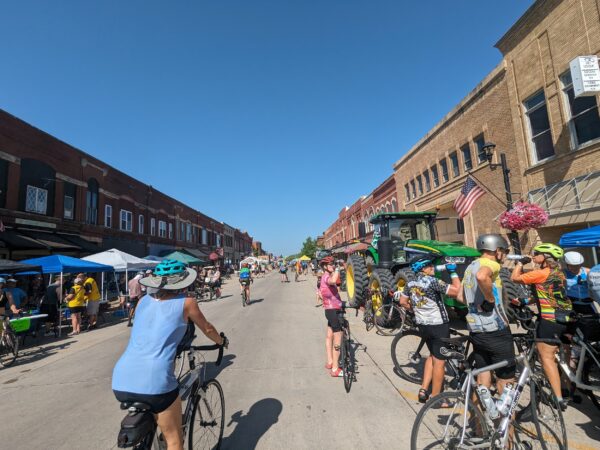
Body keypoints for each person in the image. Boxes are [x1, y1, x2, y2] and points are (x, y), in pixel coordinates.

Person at [112, 259, 227, 450]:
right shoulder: (187, 303)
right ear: (182, 282)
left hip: (121, 379)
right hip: (155, 380)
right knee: (174, 439)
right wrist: (221, 341)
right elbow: (207, 328)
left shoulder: (142, 301)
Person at [511, 243, 572, 409]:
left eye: (537, 253)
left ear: (545, 257)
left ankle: (558, 399)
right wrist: (525, 301)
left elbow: (515, 278)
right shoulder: (559, 273)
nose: (534, 255)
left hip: (549, 320)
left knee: (547, 358)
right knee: (564, 354)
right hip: (566, 319)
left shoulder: (541, 273)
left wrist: (520, 263)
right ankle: (567, 388)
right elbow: (547, 294)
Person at [395, 255, 462, 404]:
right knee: (440, 361)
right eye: (430, 265)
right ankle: (437, 398)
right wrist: (453, 273)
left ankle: (423, 389)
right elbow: (457, 291)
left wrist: (416, 310)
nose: (433, 267)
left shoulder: (410, 283)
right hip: (438, 325)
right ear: (423, 268)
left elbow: (403, 301)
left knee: (432, 355)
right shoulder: (433, 282)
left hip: (423, 324)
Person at [462, 234, 515, 399]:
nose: (504, 256)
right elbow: (482, 276)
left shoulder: (470, 266)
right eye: (504, 252)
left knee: (483, 375)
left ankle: (479, 423)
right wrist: (490, 300)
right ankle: (508, 424)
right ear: (497, 250)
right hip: (496, 329)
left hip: (476, 330)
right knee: (506, 381)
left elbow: (459, 296)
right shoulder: (491, 264)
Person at [319, 256, 344, 377]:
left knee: (329, 336)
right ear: (325, 266)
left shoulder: (323, 277)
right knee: (338, 337)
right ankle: (335, 368)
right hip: (333, 310)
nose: (333, 265)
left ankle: (330, 361)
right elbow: (333, 281)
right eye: (331, 264)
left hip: (329, 310)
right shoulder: (326, 277)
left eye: (333, 264)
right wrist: (338, 269)